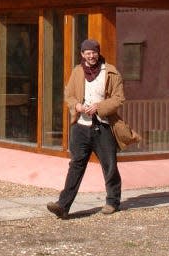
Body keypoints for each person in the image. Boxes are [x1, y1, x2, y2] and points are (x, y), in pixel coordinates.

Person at [47, 38, 125, 218]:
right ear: (82, 54)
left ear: (98, 53)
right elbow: (69, 94)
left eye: (94, 52)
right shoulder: (77, 71)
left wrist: (99, 106)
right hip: (81, 127)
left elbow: (119, 98)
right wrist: (77, 106)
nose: (91, 56)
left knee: (109, 165)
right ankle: (63, 205)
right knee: (76, 165)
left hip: (103, 126)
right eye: (87, 53)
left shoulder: (111, 72)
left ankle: (113, 202)